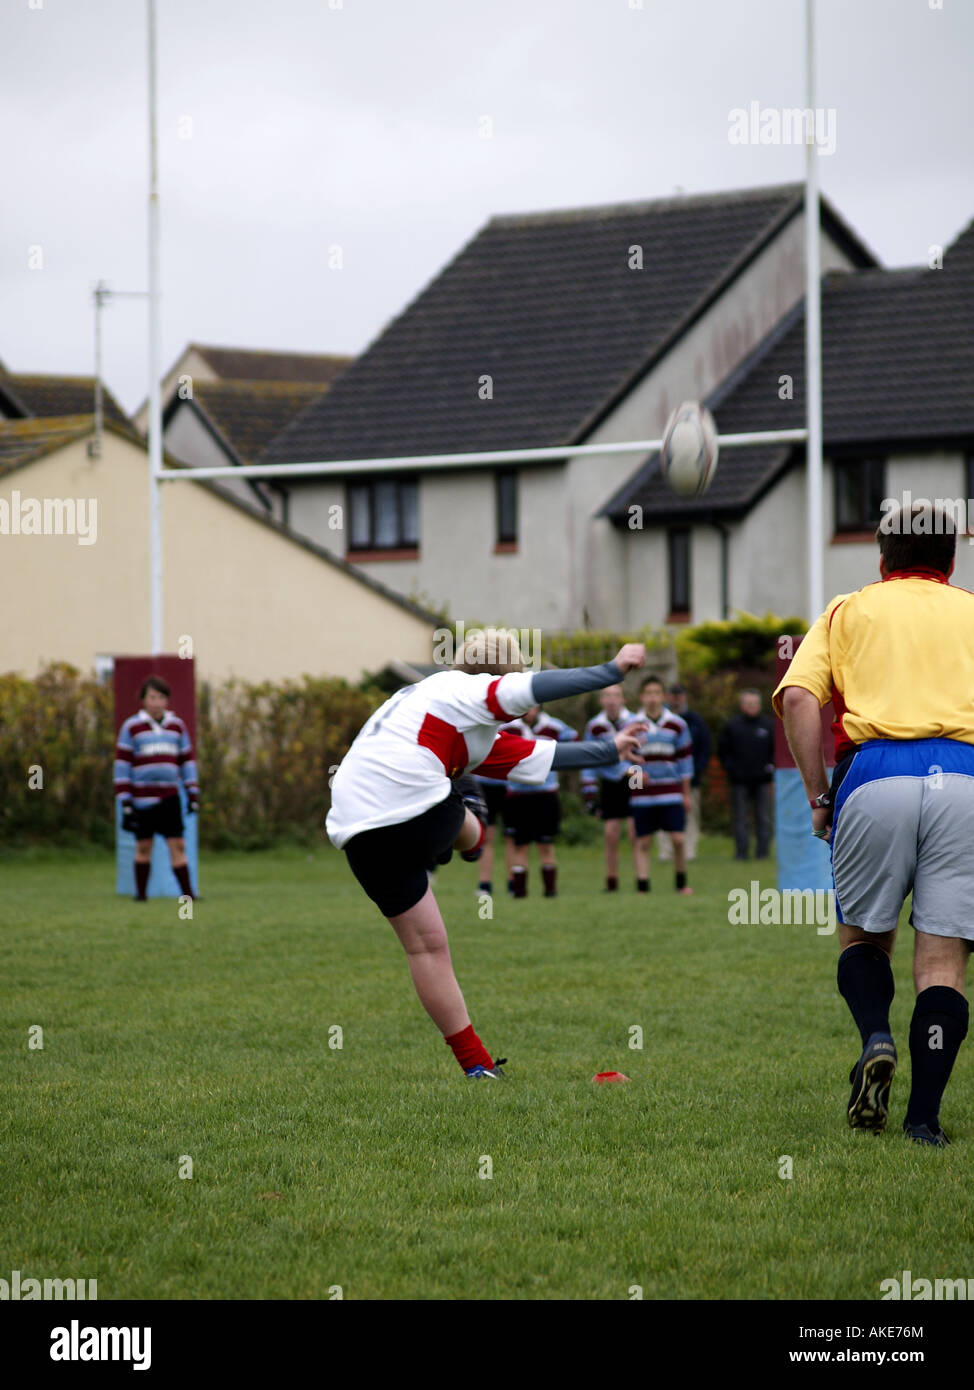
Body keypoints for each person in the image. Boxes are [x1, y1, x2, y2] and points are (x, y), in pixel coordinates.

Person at [325, 631, 648, 1079]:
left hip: (356, 828)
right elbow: (536, 687)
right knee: (467, 809)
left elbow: (538, 755)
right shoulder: (467, 690)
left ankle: (476, 1065)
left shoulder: (438, 706)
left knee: (426, 948)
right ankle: (471, 835)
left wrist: (609, 749)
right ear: (503, 673)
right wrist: (610, 672)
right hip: (415, 805)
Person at [774, 503, 974, 1146]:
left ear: (881, 560)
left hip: (876, 771)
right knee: (941, 961)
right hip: (965, 777)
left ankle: (875, 1038)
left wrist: (816, 795)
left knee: (863, 939)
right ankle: (924, 1121)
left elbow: (801, 697)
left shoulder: (847, 610)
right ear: (951, 560)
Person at [114, 675, 199, 901]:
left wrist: (192, 793)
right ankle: (141, 895)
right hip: (142, 798)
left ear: (167, 701)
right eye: (152, 697)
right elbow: (122, 765)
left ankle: (188, 894)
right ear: (143, 699)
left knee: (178, 844)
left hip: (170, 796)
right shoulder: (132, 727)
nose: (157, 702)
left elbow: (187, 761)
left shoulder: (176, 726)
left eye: (161, 697)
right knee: (143, 845)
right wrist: (125, 800)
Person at [501, 705, 577, 898]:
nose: (529, 709)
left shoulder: (554, 727)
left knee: (546, 845)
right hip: (518, 795)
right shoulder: (509, 727)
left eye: (533, 704)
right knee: (520, 845)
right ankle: (519, 892)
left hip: (546, 793)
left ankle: (550, 892)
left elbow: (575, 742)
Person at [628, 675, 694, 896]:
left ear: (663, 696)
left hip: (671, 791)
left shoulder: (677, 724)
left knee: (678, 839)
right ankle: (642, 886)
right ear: (641, 697)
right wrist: (636, 780)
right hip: (643, 796)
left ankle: (681, 882)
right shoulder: (632, 726)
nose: (653, 698)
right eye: (648, 694)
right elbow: (628, 760)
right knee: (643, 841)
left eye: (657, 693)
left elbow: (685, 761)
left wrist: (686, 794)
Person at [581, 685, 638, 891]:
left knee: (635, 832)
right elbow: (589, 759)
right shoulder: (595, 725)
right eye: (607, 696)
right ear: (601, 700)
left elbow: (641, 755)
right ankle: (612, 881)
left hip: (634, 778)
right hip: (609, 782)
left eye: (615, 695)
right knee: (611, 834)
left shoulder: (634, 721)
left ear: (623, 699)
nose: (611, 700)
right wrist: (589, 792)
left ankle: (640, 879)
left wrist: (633, 773)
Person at [656, 682, 711, 863]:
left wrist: (696, 770)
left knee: (690, 814)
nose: (676, 698)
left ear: (684, 697)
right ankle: (666, 852)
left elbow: (705, 747)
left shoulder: (695, 721)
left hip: (690, 778)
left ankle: (688, 851)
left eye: (679, 695)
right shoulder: (660, 720)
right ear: (667, 697)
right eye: (673, 695)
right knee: (663, 814)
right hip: (664, 778)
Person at [718, 690, 775, 860]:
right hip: (739, 781)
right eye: (748, 704)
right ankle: (741, 852)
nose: (752, 707)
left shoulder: (768, 725)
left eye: (754, 704)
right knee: (740, 818)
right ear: (742, 706)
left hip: (763, 780)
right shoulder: (732, 726)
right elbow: (723, 751)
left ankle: (762, 852)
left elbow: (776, 751)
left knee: (764, 817)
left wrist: (770, 768)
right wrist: (731, 769)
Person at [472, 765, 515, 899]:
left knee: (512, 838)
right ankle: (485, 885)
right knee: (486, 837)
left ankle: (513, 884)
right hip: (483, 785)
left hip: (509, 785)